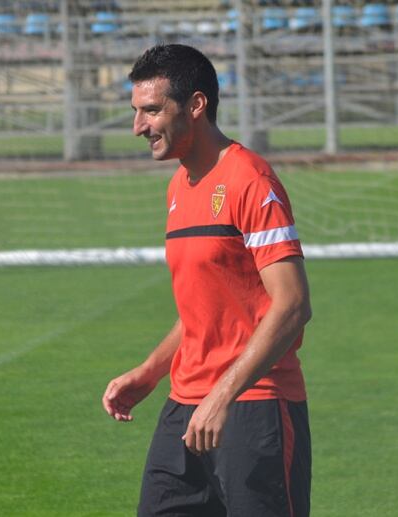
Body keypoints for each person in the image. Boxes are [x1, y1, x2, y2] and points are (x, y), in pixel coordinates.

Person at [102, 44, 312, 517]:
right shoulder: (178, 186)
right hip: (184, 405)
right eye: (136, 112)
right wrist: (150, 372)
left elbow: (293, 304)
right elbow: (205, 309)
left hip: (254, 404)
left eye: (151, 111)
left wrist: (222, 396)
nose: (139, 127)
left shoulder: (251, 179)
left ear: (196, 105)